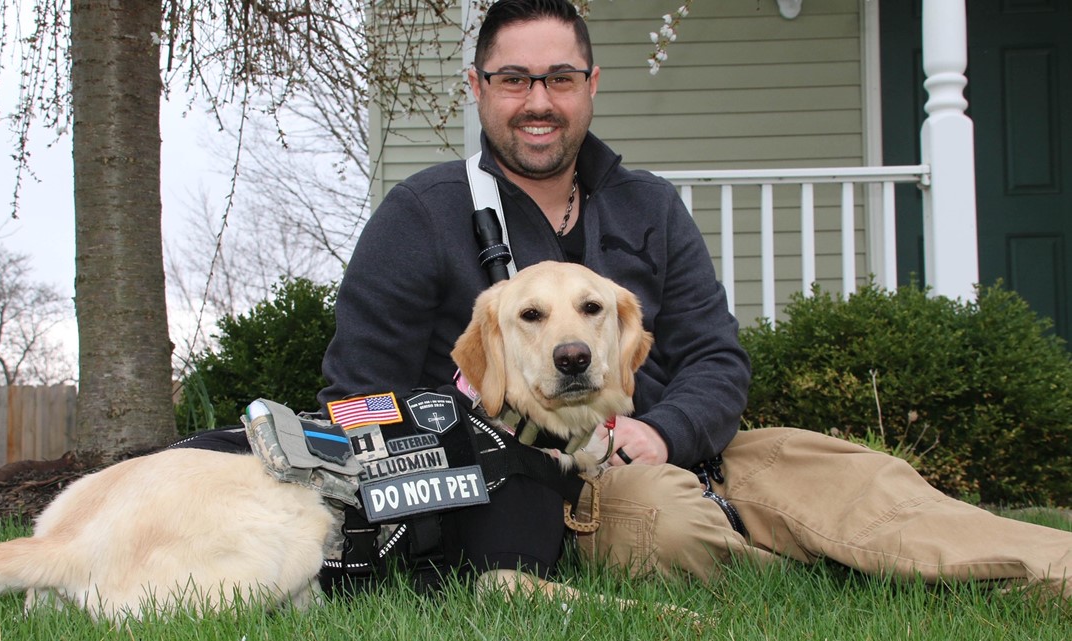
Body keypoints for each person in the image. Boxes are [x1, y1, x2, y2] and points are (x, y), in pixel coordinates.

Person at [318, 0, 1072, 597]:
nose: (537, 100)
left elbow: (717, 357)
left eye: (560, 77)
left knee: (859, 479)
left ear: (592, 85)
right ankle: (842, 568)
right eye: (513, 79)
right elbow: (356, 397)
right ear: (478, 88)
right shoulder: (421, 216)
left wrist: (666, 432)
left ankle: (1047, 571)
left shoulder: (649, 205)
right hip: (557, 488)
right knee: (671, 526)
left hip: (694, 449)